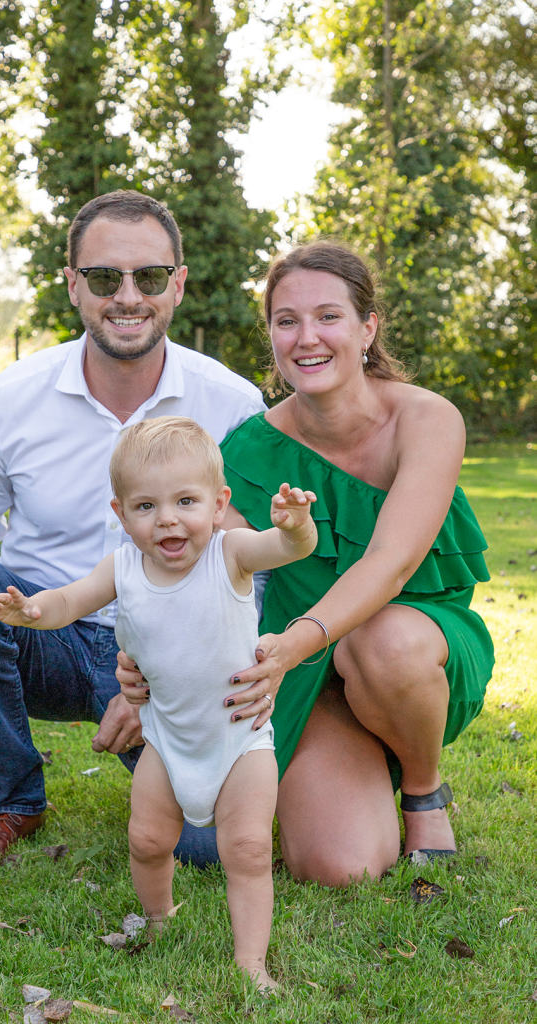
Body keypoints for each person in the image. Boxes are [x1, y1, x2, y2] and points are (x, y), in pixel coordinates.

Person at [118, 240, 495, 886]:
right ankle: (362, 761)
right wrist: (143, 661)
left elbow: (390, 566)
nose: (306, 338)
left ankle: (424, 788)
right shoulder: (251, 448)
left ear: (366, 327)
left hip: (407, 645)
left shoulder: (426, 420)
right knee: (338, 866)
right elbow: (198, 572)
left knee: (384, 644)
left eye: (327, 317)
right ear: (270, 335)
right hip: (305, 671)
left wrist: (296, 640)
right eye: (285, 321)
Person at [0, 190, 265, 872]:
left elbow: (253, 570)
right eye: (105, 277)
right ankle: (14, 797)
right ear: (73, 284)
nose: (127, 296)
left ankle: (167, 766)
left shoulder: (232, 404)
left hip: (170, 653)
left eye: (150, 277)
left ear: (178, 285)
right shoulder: (6, 399)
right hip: (42, 632)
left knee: (205, 847)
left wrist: (165, 684)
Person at [0, 416, 317, 992]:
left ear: (218, 504)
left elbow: (286, 547)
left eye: (186, 500)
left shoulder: (230, 553)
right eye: (146, 506)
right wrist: (32, 611)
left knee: (249, 849)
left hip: (239, 738)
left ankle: (252, 963)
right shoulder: (123, 568)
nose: (167, 519)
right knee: (149, 839)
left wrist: (297, 525)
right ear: (120, 513)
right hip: (166, 738)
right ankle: (159, 920)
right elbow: (68, 601)